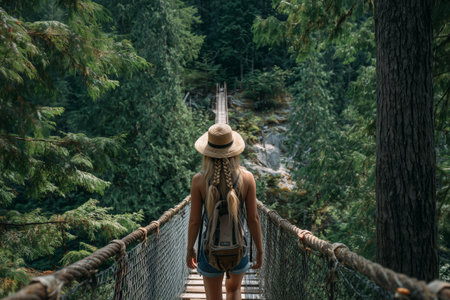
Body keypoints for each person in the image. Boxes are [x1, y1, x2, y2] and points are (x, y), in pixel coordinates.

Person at [186, 123, 263, 300]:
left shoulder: (199, 181)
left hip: (209, 248)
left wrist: (190, 249)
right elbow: (253, 218)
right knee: (234, 290)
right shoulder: (247, 178)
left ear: (207, 152)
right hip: (238, 248)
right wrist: (259, 249)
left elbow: (194, 222)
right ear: (234, 151)